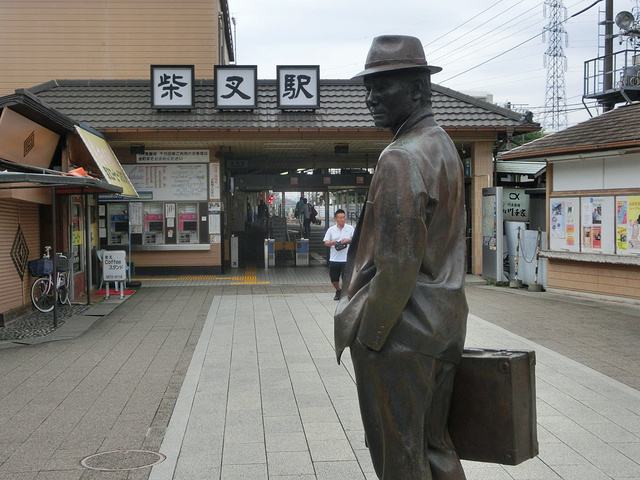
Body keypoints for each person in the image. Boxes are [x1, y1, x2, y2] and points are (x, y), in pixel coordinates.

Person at [334, 35, 468, 480]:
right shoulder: (443, 145)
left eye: (382, 87)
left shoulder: (401, 156)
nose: (370, 98)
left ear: (416, 89)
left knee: (400, 457)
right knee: (435, 447)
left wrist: (369, 337)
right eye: (368, 88)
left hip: (400, 333)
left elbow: (396, 265)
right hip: (443, 324)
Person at [323, 209, 354, 300]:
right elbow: (325, 242)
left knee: (346, 279)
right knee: (334, 279)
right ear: (336, 219)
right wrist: (332, 242)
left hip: (346, 259)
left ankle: (345, 294)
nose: (342, 219)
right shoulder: (331, 229)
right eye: (340, 218)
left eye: (343, 217)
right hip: (334, 259)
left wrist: (349, 240)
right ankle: (338, 290)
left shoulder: (350, 228)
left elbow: (357, 240)